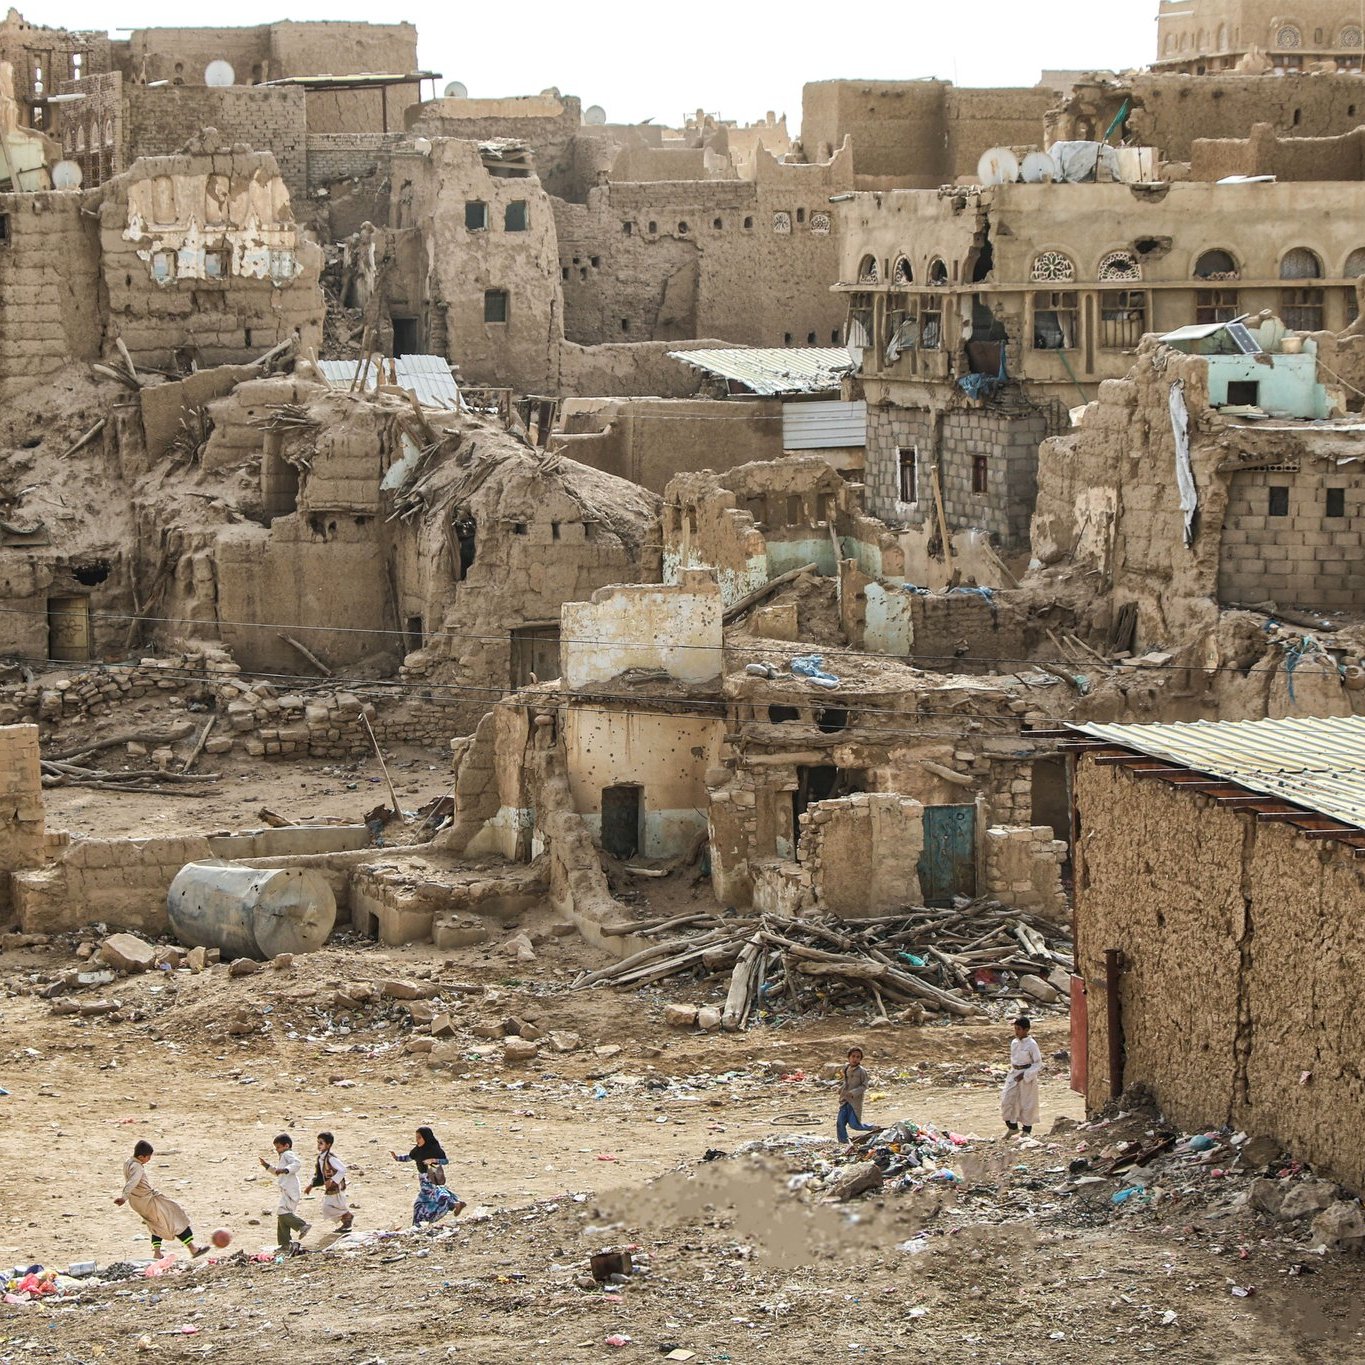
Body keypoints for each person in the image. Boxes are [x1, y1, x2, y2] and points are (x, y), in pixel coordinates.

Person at [114, 1140, 207, 1259]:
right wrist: (123, 1197)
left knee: (156, 1224)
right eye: (148, 1157)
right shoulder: (137, 1167)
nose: (149, 1159)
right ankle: (193, 1248)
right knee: (175, 1217)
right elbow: (132, 1182)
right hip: (147, 1200)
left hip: (137, 1202)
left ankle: (157, 1253)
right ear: (141, 1156)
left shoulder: (128, 1162)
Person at [391, 1126, 466, 1227]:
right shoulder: (417, 1150)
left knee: (429, 1199)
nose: (417, 1140)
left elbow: (445, 1161)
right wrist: (397, 1158)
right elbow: (409, 1157)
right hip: (423, 1179)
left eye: (419, 1137)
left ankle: (418, 1225)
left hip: (431, 1177)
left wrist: (434, 1160)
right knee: (424, 1202)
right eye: (416, 1137)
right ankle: (418, 1226)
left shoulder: (434, 1149)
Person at [260, 1134, 310, 1253]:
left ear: (286, 1145)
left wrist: (286, 1169)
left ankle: (302, 1225)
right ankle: (285, 1243)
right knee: (281, 1214)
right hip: (286, 1189)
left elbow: (296, 1164)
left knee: (283, 1213)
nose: (277, 1150)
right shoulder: (283, 1156)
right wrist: (267, 1166)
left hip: (290, 1189)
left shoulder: (288, 1154)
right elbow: (278, 1172)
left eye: (278, 1147)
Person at [1002, 1016, 1044, 1137]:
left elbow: (1038, 1063)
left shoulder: (1032, 1044)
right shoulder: (1014, 1043)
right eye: (1015, 1028)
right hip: (1014, 1074)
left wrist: (1025, 1075)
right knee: (1007, 1100)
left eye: (1019, 1029)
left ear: (1026, 1030)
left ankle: (1026, 1131)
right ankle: (1012, 1127)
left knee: (1027, 1103)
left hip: (1026, 1077)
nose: (1016, 1031)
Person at [307, 1131, 353, 1231]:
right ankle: (346, 1221)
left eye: (321, 1143)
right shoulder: (320, 1158)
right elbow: (319, 1176)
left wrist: (333, 1181)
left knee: (330, 1207)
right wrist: (311, 1185)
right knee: (330, 1207)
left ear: (328, 1145)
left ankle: (347, 1217)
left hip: (336, 1187)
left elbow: (342, 1170)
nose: (318, 1145)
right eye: (318, 1143)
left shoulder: (330, 1158)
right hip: (330, 1187)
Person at [836, 1047, 879, 1146]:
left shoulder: (861, 1071)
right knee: (840, 1123)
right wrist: (840, 1089)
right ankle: (843, 1142)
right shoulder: (847, 1068)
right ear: (849, 1057)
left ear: (860, 1059)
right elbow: (846, 1082)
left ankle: (872, 1127)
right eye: (853, 1056)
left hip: (854, 1102)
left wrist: (854, 1092)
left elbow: (864, 1085)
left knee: (855, 1125)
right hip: (844, 1100)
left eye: (858, 1057)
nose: (855, 1059)